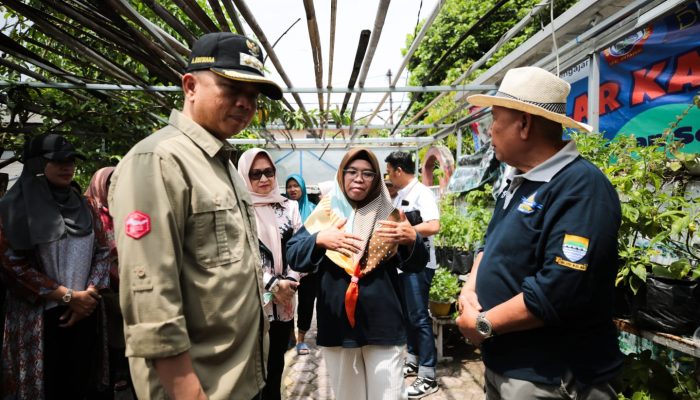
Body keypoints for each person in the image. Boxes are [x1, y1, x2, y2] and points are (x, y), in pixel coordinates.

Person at [109, 32, 283, 400]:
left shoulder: (224, 166)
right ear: (190, 86)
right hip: (199, 388)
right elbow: (151, 299)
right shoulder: (158, 161)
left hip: (240, 379)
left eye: (252, 95)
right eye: (230, 87)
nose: (244, 103)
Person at [456, 66, 622, 399]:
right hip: (507, 364)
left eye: (496, 121)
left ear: (524, 123)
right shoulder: (519, 182)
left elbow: (558, 291)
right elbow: (491, 244)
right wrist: (470, 288)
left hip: (549, 376)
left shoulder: (581, 187)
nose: (490, 132)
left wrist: (483, 324)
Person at [286, 148, 429, 400]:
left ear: (376, 179)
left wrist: (411, 239)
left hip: (383, 324)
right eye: (351, 172)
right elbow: (294, 255)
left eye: (367, 173)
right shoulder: (326, 212)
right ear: (341, 175)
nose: (358, 179)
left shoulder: (390, 214)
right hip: (338, 325)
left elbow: (416, 265)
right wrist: (320, 239)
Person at [0, 134, 110, 399]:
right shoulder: (13, 209)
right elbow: (12, 264)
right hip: (40, 318)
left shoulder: (86, 205)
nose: (68, 167)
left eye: (71, 161)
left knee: (81, 384)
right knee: (49, 388)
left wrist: (89, 295)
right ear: (37, 164)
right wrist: (67, 296)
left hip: (85, 312)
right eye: (58, 161)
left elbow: (103, 251)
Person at [238, 149, 301, 400]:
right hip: (255, 300)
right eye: (255, 174)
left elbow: (300, 247)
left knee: (276, 363)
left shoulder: (289, 207)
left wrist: (291, 282)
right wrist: (273, 284)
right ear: (245, 176)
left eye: (269, 172)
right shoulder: (239, 211)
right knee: (253, 369)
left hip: (286, 299)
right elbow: (240, 254)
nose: (264, 179)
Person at [385, 151, 441, 398]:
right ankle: (413, 359)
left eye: (388, 171)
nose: (388, 176)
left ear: (398, 170)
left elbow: (433, 225)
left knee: (419, 317)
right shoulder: (399, 197)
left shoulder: (422, 193)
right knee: (408, 316)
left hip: (419, 265)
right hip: (403, 265)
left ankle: (428, 375)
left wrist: (407, 231)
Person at [85, 167, 135, 397]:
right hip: (100, 288)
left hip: (131, 283)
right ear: (99, 185)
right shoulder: (89, 212)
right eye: (110, 184)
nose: (115, 189)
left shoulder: (128, 210)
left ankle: (126, 375)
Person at [285, 174, 317, 356]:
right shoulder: (282, 209)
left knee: (306, 301)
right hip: (287, 264)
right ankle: (289, 334)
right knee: (286, 301)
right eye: (289, 186)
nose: (292, 190)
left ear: (303, 188)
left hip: (309, 266)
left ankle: (301, 339)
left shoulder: (313, 210)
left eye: (296, 186)